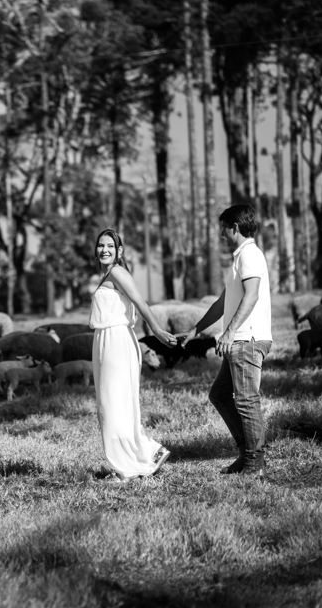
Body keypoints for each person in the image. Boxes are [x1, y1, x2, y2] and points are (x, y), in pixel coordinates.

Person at [176, 204, 273, 477]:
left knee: (246, 400)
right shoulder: (239, 258)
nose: (221, 233)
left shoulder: (250, 255)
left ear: (235, 227)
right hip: (239, 340)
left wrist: (229, 333)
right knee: (219, 394)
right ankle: (246, 454)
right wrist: (195, 330)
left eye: (223, 228)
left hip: (246, 340)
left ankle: (255, 462)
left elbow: (251, 296)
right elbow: (223, 302)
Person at [89, 228, 177, 482]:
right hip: (106, 341)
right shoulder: (107, 274)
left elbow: (140, 301)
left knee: (112, 404)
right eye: (100, 245)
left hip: (116, 342)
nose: (104, 250)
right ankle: (146, 454)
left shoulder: (116, 271)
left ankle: (126, 469)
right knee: (115, 404)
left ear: (119, 251)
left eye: (109, 246)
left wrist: (157, 331)